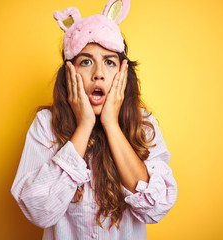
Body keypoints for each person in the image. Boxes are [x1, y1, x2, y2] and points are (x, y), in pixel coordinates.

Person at [11, 0, 178, 239]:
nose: (98, 73)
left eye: (109, 62)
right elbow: (38, 211)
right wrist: (85, 125)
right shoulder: (45, 124)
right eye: (86, 62)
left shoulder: (143, 123)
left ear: (122, 73)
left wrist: (111, 124)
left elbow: (157, 207)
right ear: (69, 73)